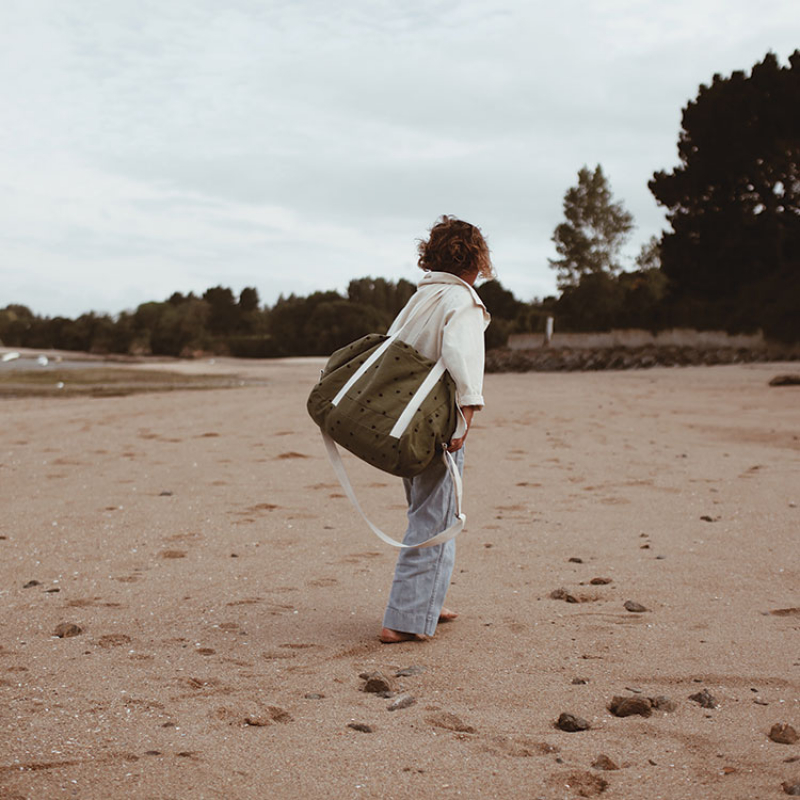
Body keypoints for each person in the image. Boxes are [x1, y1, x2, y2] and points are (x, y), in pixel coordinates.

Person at [380, 216, 493, 643]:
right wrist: (467, 418)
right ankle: (403, 620)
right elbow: (463, 362)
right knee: (435, 517)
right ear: (476, 261)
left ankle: (426, 599)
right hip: (436, 421)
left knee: (425, 510)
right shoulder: (463, 302)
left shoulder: (419, 299)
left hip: (404, 418)